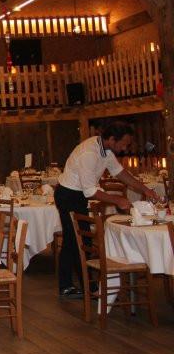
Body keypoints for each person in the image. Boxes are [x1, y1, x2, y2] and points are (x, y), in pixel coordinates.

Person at [54, 121, 160, 298]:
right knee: (81, 242)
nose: (125, 148)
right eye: (124, 144)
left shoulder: (106, 150)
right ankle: (91, 289)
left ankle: (66, 286)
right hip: (68, 195)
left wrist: (145, 190)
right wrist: (117, 200)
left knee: (71, 241)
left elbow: (121, 174)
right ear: (111, 139)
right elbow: (90, 191)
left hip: (76, 194)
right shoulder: (90, 153)